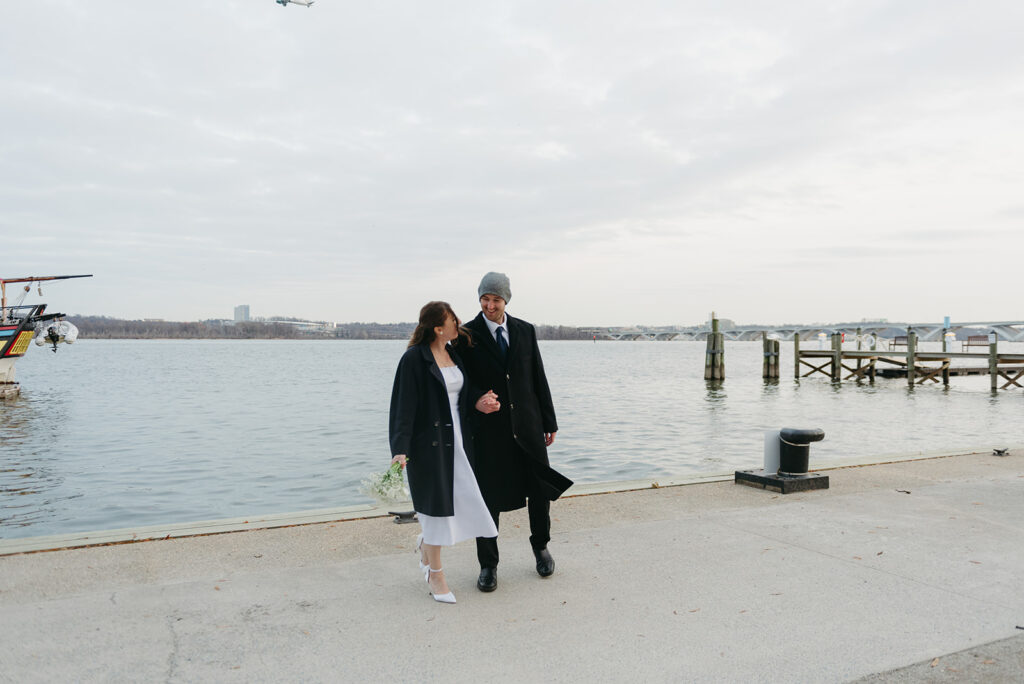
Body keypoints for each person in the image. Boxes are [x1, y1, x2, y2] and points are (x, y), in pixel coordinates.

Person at [459, 272, 572, 593]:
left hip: (529, 426)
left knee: (539, 491)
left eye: (496, 299)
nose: (490, 305)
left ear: (506, 300)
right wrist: (475, 401)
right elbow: (459, 382)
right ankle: (488, 565)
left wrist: (549, 421)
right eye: (485, 298)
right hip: (489, 431)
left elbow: (537, 376)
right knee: (488, 498)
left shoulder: (524, 330)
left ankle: (541, 547)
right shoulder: (467, 334)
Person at [389, 301, 501, 604]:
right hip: (428, 448)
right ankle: (435, 575)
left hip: (460, 444)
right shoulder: (414, 359)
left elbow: (460, 397)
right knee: (437, 512)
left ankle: (426, 541)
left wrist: (480, 402)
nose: (458, 324)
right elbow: (403, 408)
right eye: (453, 320)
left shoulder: (452, 353)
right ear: (439, 328)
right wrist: (399, 450)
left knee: (466, 503)